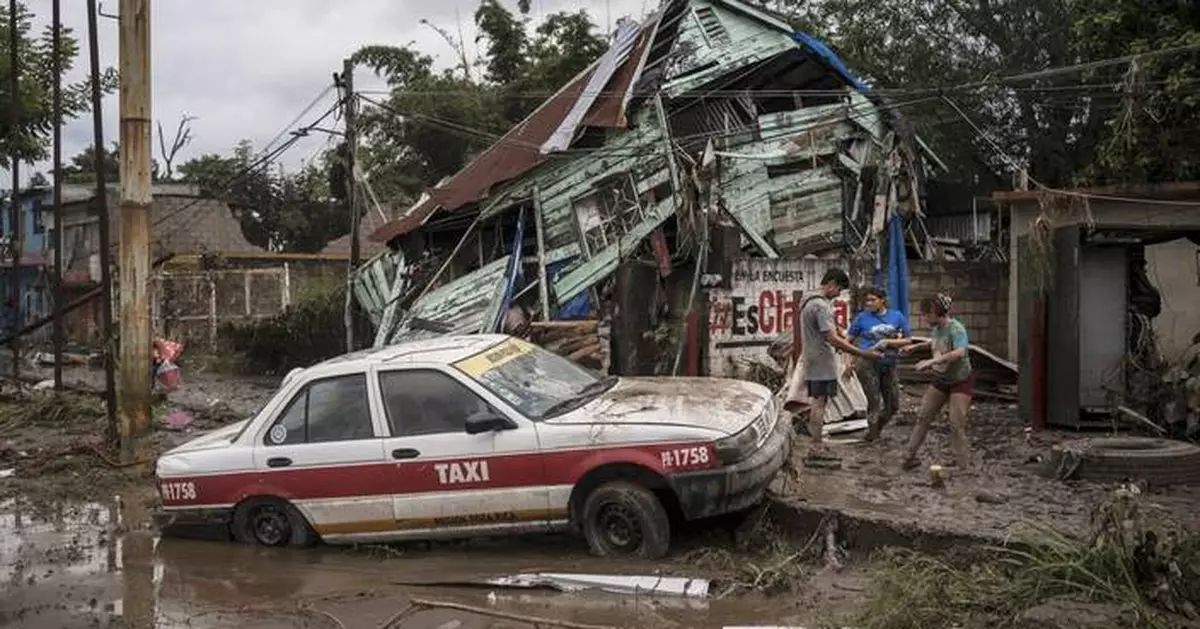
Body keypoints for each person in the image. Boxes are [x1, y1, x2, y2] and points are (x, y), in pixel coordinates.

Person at [799, 268, 882, 465]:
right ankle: (816, 447)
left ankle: (816, 443)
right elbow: (832, 338)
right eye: (839, 290)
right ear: (832, 284)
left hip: (813, 359)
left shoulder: (808, 301)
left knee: (818, 402)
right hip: (821, 361)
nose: (838, 295)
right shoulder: (821, 306)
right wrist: (862, 353)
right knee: (819, 403)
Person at [898, 293, 974, 470]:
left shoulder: (956, 328)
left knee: (956, 423)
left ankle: (964, 466)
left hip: (960, 380)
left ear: (939, 312)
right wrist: (915, 347)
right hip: (941, 379)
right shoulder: (937, 328)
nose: (924, 317)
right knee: (923, 417)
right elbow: (935, 341)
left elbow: (960, 352)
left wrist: (931, 362)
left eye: (927, 313)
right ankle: (909, 457)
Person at [846, 286, 912, 442]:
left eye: (873, 300)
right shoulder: (862, 318)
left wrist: (889, 341)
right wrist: (848, 361)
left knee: (893, 405)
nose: (869, 303)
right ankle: (873, 435)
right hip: (867, 364)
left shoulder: (897, 316)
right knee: (874, 401)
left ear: (882, 300)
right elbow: (847, 341)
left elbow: (908, 339)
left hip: (889, 364)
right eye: (867, 300)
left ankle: (877, 429)